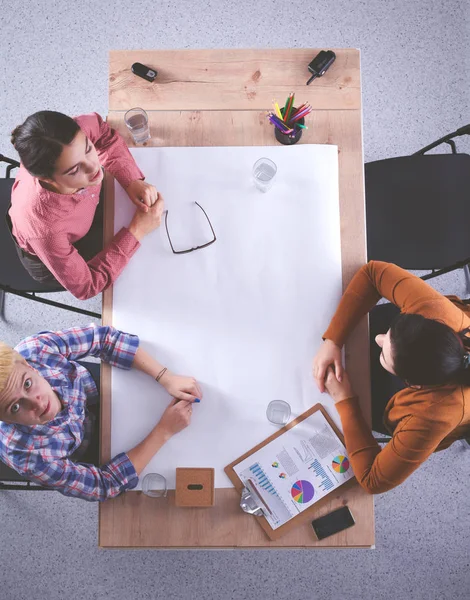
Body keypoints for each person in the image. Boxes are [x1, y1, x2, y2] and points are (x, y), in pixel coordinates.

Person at [312, 260, 470, 494]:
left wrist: (345, 400)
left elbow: (372, 480)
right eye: (389, 334)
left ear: (414, 385)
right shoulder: (435, 311)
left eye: (384, 356)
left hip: (428, 407)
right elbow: (373, 272)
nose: (378, 339)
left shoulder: (434, 416)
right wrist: (333, 339)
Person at [0, 324, 202, 501]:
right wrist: (164, 430)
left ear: (27, 365)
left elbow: (104, 338)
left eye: (28, 384)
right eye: (15, 407)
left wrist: (164, 376)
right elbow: (105, 485)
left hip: (93, 388)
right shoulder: (28, 457)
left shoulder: (36, 350)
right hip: (88, 445)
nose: (36, 402)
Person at [9, 111, 164, 300]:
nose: (94, 168)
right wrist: (136, 231)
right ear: (46, 179)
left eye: (88, 149)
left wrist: (131, 179)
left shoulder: (72, 136)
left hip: (84, 209)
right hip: (51, 254)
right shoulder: (46, 231)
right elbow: (87, 286)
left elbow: (103, 134)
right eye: (74, 170)